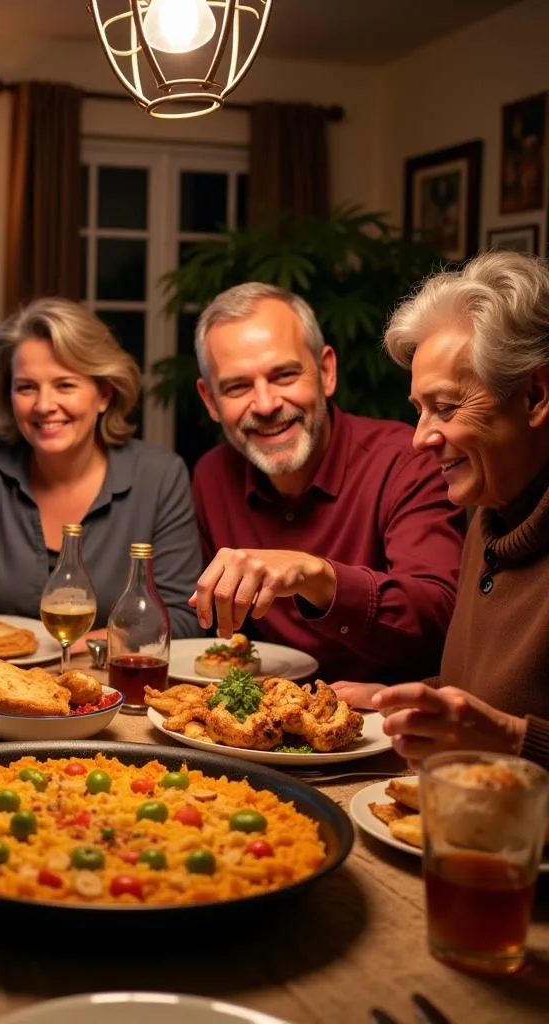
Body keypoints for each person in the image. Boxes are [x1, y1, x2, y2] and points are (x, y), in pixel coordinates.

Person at [189, 282, 465, 683]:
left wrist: (318, 577)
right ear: (211, 401)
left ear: (326, 371)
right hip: (256, 727)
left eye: (284, 375)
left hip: (385, 727)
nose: (265, 405)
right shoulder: (212, 477)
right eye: (237, 386)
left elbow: (440, 618)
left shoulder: (407, 463)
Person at [352, 251, 549, 770]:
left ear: (534, 396)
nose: (419, 439)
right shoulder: (490, 514)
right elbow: (486, 698)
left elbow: (506, 725)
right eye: (418, 411)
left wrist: (512, 740)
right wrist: (399, 701)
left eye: (446, 407)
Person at [0, 297, 202, 637]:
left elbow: (183, 617)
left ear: (104, 394)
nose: (44, 406)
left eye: (65, 385)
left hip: (110, 683)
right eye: (26, 387)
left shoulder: (160, 476)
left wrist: (86, 647)